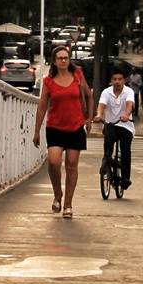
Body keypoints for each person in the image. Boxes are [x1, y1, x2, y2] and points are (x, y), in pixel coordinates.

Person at [32, 46, 93, 218]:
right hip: (55, 128)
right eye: (60, 58)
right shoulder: (48, 81)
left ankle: (68, 205)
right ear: (54, 61)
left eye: (66, 58)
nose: (64, 61)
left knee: (72, 166)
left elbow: (89, 95)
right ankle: (57, 193)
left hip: (75, 127)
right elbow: (42, 106)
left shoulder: (78, 76)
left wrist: (89, 119)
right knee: (53, 162)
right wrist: (36, 130)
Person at [97, 66, 135, 189]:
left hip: (125, 125)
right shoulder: (106, 92)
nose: (117, 81)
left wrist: (126, 115)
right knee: (108, 143)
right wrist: (99, 115)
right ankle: (107, 162)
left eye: (120, 79)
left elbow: (129, 104)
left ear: (124, 80)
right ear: (111, 81)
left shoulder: (128, 91)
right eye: (115, 79)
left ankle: (125, 178)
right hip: (111, 124)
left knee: (125, 150)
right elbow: (101, 105)